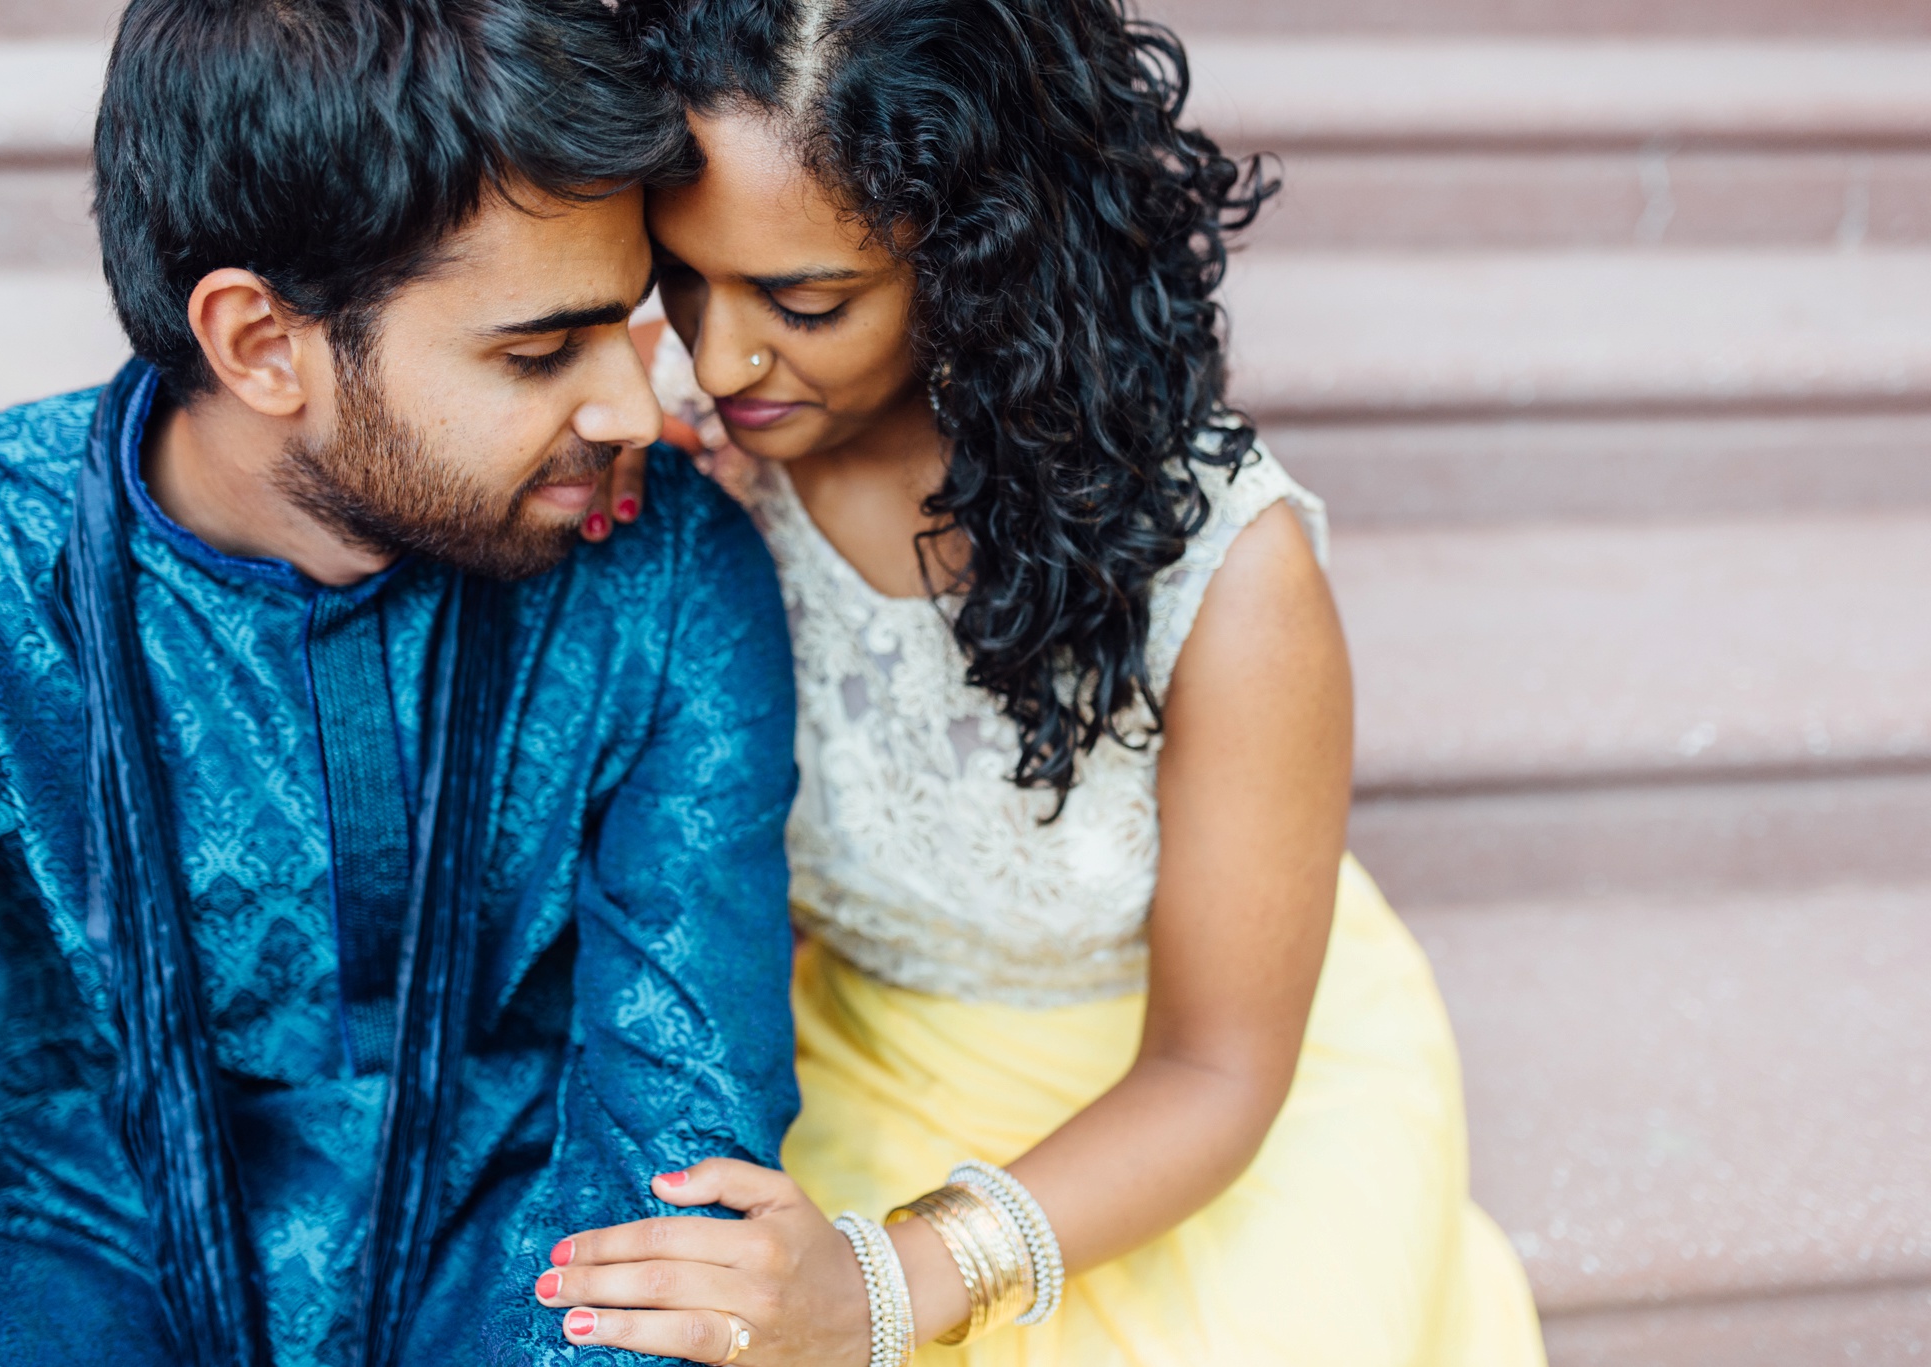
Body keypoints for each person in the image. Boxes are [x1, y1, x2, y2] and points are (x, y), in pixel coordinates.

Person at [529, 1, 1549, 1363]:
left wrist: (884, 1285)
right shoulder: (707, 461)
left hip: (1173, 1108)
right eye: (687, 280)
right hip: (850, 1054)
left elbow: (1219, 1070)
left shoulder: (1224, 576)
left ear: (978, 259)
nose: (719, 363)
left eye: (807, 302)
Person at [0, 2, 800, 1364]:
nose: (631, 409)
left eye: (631, 325)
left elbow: (676, 1152)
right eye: (540, 351)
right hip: (65, 1253)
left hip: (534, 1270)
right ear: (261, 344)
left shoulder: (662, 562)